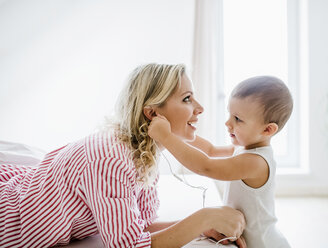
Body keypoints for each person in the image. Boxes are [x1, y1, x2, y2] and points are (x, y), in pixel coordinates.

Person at [0, 63, 246, 248]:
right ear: (152, 114)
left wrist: (202, 228)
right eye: (187, 99)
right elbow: (126, 245)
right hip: (8, 219)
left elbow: (140, 228)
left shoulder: (143, 151)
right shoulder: (111, 159)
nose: (200, 108)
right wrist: (203, 218)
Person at [148, 75, 293, 248]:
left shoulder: (256, 162)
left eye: (237, 119)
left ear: (268, 129)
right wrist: (177, 127)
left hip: (263, 243)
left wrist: (166, 136)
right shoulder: (243, 148)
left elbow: (206, 166)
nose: (228, 123)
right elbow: (210, 150)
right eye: (229, 114)